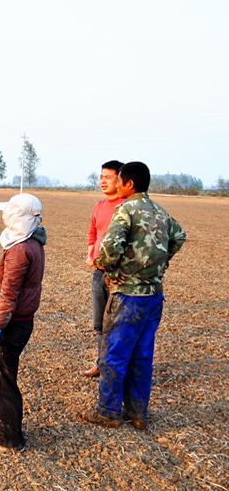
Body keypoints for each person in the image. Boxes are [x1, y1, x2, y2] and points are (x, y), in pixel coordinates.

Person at [79, 161, 186, 429]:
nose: (115, 185)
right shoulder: (159, 210)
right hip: (154, 296)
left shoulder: (126, 209)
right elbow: (179, 236)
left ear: (129, 184)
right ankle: (138, 414)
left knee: (113, 355)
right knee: (142, 356)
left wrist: (106, 266)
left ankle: (108, 412)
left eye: (119, 181)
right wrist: (159, 261)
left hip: (128, 295)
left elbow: (110, 248)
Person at [0, 193, 46, 454]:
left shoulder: (20, 249)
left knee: (4, 380)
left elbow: (9, 293)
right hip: (17, 321)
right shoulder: (31, 242)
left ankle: (9, 439)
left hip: (12, 324)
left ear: (18, 217)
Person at [80, 160, 126, 378]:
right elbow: (93, 233)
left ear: (121, 180)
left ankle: (118, 369)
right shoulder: (99, 206)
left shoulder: (127, 207)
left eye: (108, 177)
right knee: (99, 324)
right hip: (98, 273)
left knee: (118, 325)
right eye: (101, 177)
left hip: (120, 276)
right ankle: (101, 364)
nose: (102, 181)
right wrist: (91, 253)